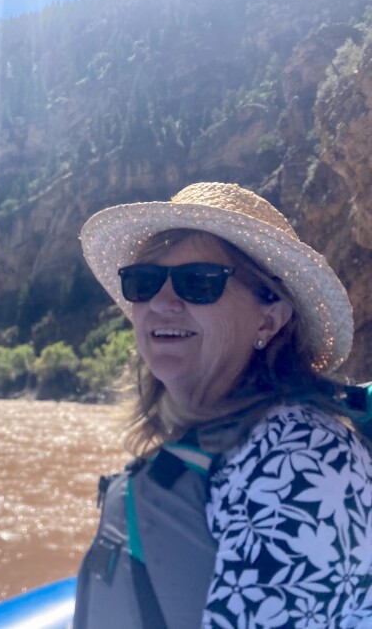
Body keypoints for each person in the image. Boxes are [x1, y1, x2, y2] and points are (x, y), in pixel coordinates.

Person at [73, 182, 372, 628]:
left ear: (269, 319)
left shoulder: (301, 464)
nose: (161, 302)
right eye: (144, 281)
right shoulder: (221, 445)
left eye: (199, 282)